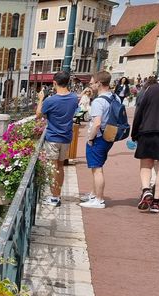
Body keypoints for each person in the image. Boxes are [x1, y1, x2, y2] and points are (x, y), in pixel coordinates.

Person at [130, 62, 159, 213]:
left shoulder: (152, 89)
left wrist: (135, 132)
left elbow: (140, 111)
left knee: (146, 165)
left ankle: (146, 190)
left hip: (149, 130)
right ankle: (156, 202)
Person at [36, 71, 80, 207]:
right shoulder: (74, 98)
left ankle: (54, 197)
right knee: (60, 167)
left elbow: (38, 115)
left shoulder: (50, 100)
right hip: (66, 137)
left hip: (53, 137)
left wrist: (40, 99)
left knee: (53, 167)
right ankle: (57, 195)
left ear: (55, 83)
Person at [79, 71, 118, 209]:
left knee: (97, 169)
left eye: (91, 83)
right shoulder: (115, 97)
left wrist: (90, 138)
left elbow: (96, 123)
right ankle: (94, 194)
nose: (90, 86)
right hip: (109, 135)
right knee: (97, 167)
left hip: (99, 137)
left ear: (99, 83)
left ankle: (99, 200)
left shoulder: (98, 101)